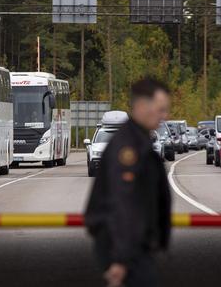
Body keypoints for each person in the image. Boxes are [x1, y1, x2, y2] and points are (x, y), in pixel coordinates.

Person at [85, 78, 172, 287]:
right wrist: (120, 260)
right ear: (142, 106)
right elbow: (123, 204)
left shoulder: (139, 141)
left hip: (134, 247)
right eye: (160, 109)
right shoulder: (128, 149)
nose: (164, 116)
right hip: (127, 251)